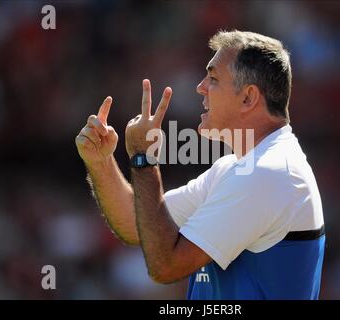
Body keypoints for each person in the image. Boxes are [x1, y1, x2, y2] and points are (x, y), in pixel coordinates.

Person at [75, 30, 325, 299]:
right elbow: (135, 225)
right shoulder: (238, 168)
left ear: (248, 98)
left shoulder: (266, 173)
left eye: (214, 78)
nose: (200, 87)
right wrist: (100, 162)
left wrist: (143, 160)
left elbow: (165, 267)